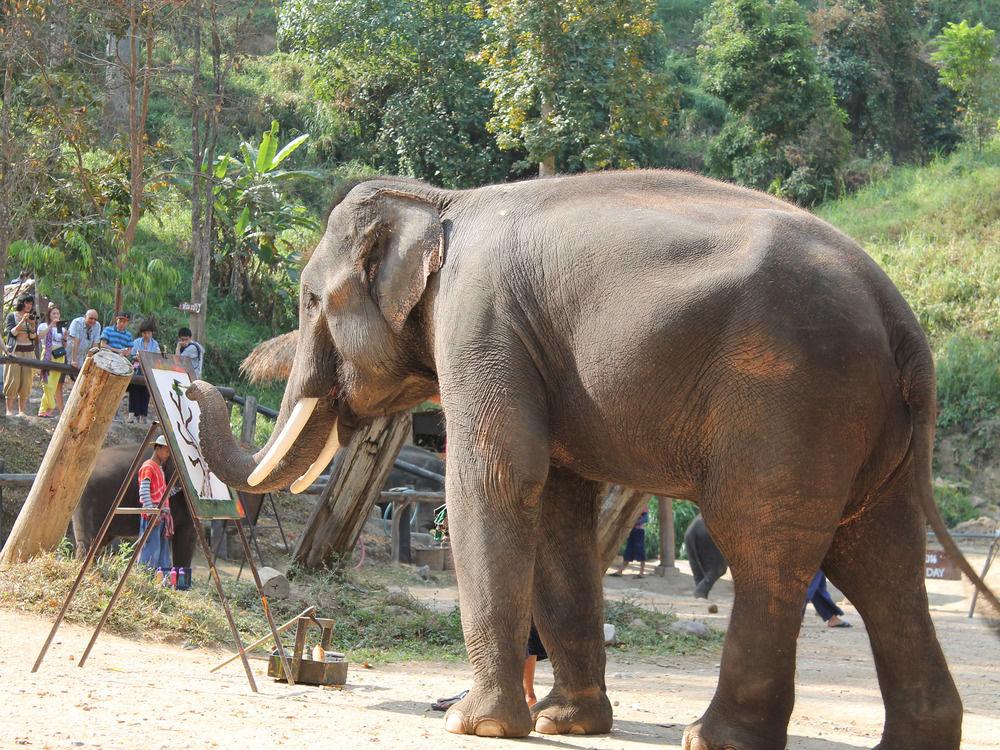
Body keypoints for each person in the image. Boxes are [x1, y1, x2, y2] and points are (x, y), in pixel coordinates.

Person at [138, 435, 173, 571]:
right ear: (157, 448)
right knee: (151, 552)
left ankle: (160, 581)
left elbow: (160, 493)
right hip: (153, 516)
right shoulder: (148, 467)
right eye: (166, 451)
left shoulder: (159, 468)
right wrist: (152, 512)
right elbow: (144, 490)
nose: (167, 455)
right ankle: (145, 580)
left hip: (161, 515)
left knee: (161, 553)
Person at [3, 294, 38, 416]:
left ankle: (21, 411)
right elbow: (12, 333)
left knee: (26, 381)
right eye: (27, 303)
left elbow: (33, 337)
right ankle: (8, 410)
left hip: (29, 351)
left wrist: (32, 324)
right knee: (13, 379)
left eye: (31, 303)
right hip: (14, 351)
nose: (29, 305)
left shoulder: (32, 318)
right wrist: (23, 321)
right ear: (21, 303)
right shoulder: (12, 316)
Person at [684, 514, 729, 599]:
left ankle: (700, 598)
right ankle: (700, 592)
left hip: (692, 530)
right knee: (719, 568)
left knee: (699, 575)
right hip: (710, 529)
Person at [38, 305, 70, 418]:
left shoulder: (62, 328)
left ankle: (44, 411)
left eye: (57, 314)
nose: (56, 315)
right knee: (46, 383)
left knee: (53, 384)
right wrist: (51, 326)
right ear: (49, 315)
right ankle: (51, 405)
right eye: (53, 313)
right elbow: (40, 337)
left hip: (59, 357)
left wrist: (65, 337)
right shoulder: (43, 325)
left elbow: (64, 346)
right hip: (47, 355)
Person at [128, 319, 160, 424]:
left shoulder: (155, 344)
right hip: (137, 369)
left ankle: (142, 415)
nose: (147, 335)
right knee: (134, 391)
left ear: (152, 333)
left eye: (149, 333)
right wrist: (138, 357)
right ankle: (132, 414)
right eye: (145, 333)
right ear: (142, 333)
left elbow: (156, 356)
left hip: (148, 370)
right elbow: (132, 355)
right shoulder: (137, 342)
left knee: (145, 393)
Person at [610, 509, 650, 578]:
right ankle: (620, 571)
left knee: (640, 551)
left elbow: (646, 519)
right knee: (628, 551)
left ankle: (641, 573)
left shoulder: (643, 506)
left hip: (638, 531)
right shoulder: (634, 505)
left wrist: (635, 522)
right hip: (631, 531)